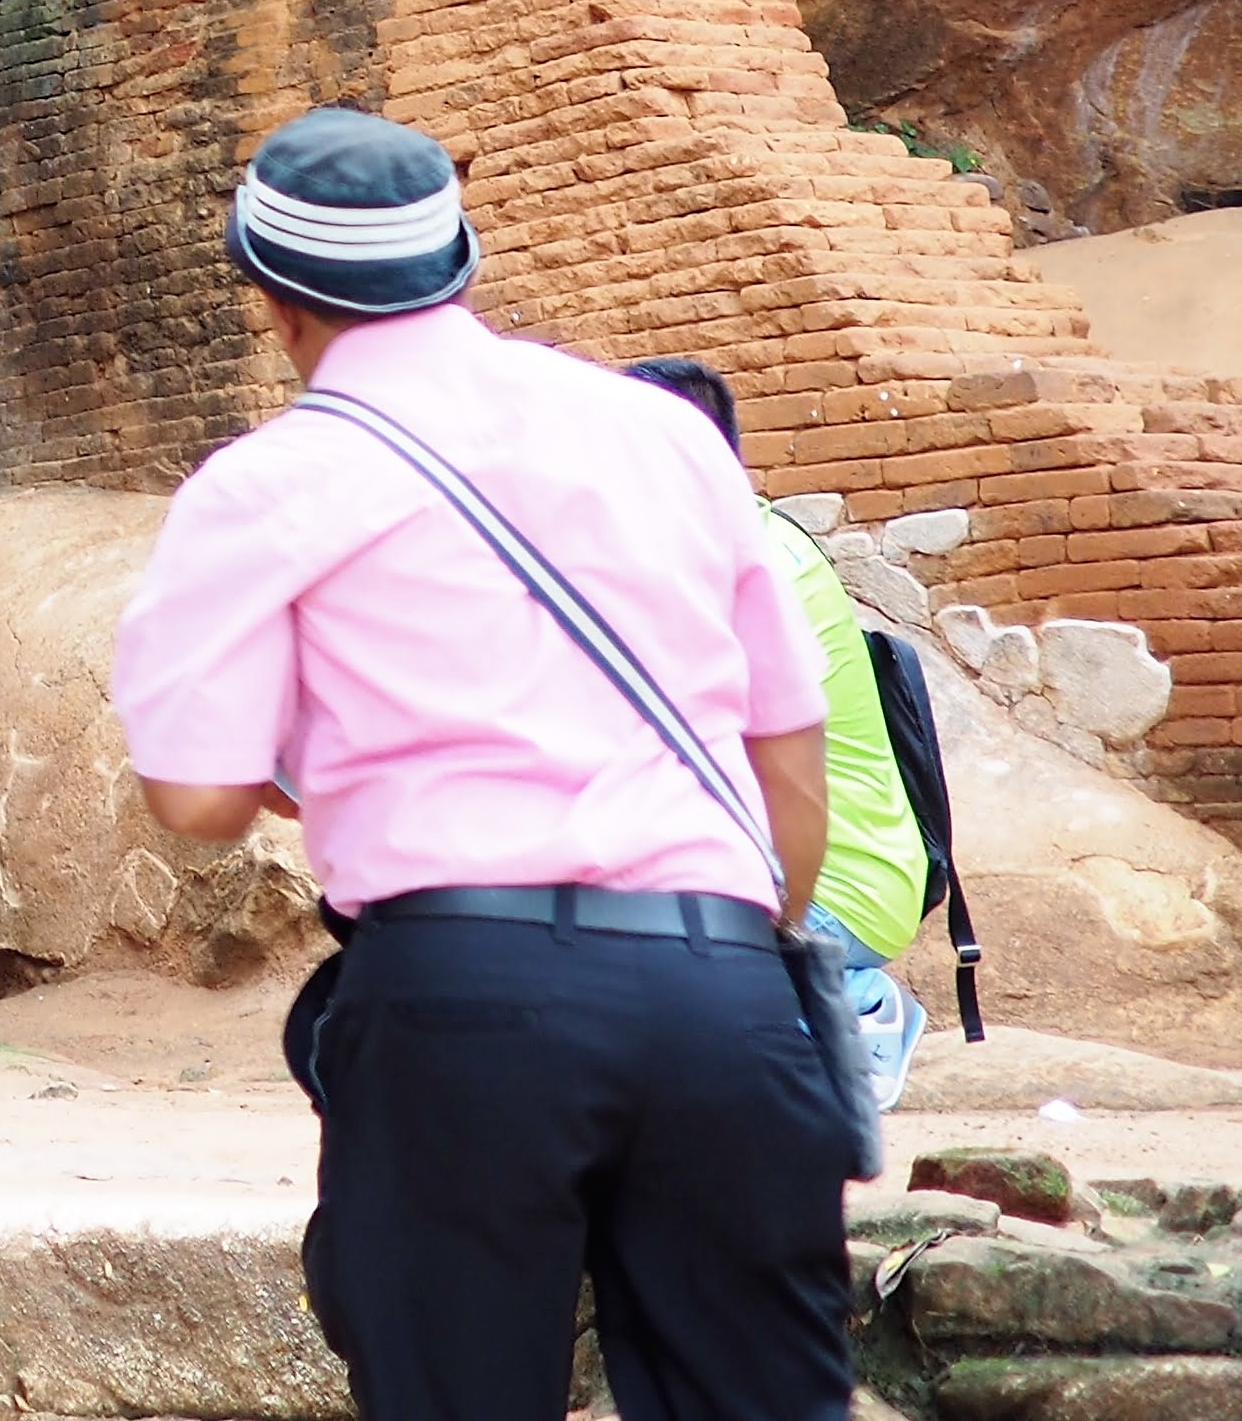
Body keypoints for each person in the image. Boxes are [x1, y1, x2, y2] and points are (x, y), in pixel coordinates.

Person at [113, 108, 849, 1421]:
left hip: (464, 1001)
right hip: (720, 988)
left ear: (274, 303)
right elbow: (790, 750)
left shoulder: (267, 485)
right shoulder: (666, 434)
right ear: (458, 263)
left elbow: (200, 803)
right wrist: (743, 952)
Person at [629, 357, 935, 1109]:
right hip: (797, 866)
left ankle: (848, 1002)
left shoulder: (748, 569)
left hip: (829, 887)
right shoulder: (744, 541)